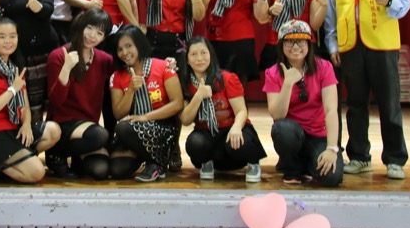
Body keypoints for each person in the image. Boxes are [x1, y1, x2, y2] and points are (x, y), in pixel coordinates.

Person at [325, 0, 410, 180]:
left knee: (389, 104)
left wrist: (390, 2)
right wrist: (333, 45)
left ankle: (395, 159)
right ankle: (360, 157)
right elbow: (331, 11)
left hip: (382, 45)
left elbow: (405, 2)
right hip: (350, 44)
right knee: (356, 104)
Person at [58, 0, 137, 135]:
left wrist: (135, 28)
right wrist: (87, 3)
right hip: (92, 35)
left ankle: (116, 135)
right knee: (91, 87)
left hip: (119, 34)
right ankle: (88, 135)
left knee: (116, 85)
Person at [0, 18, 62, 183]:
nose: (8, 41)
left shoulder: (14, 68)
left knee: (54, 130)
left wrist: (26, 125)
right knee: (37, 172)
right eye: (2, 36)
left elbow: (25, 105)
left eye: (12, 36)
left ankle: (4, 165)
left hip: (13, 127)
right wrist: (12, 90)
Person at [264, 20, 342, 186]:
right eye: (289, 41)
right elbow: (277, 115)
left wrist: (331, 148)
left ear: (309, 44)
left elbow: (331, 110)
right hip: (292, 134)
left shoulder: (324, 67)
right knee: (282, 129)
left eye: (300, 41)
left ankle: (308, 163)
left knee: (332, 178)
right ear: (281, 45)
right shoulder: (272, 73)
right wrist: (287, 84)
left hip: (318, 135)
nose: (295, 46)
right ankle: (292, 168)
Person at [179, 36, 267, 182]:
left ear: (211, 55)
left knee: (237, 142)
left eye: (203, 53)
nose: (199, 58)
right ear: (187, 60)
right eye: (193, 54)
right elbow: (186, 120)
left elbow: (241, 111)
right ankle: (207, 162)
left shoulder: (227, 78)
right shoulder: (185, 83)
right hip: (207, 132)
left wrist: (236, 127)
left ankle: (253, 162)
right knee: (195, 143)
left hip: (232, 128)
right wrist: (198, 96)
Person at [0, 0, 58, 124]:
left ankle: (42, 139)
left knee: (37, 105)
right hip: (12, 54)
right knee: (17, 103)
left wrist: (37, 6)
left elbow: (48, 9)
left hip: (39, 53)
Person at [46, 9, 115, 179]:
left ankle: (77, 157)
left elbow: (127, 68)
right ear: (81, 25)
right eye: (89, 28)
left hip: (87, 128)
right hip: (62, 124)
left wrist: (167, 64)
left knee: (100, 170)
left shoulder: (104, 60)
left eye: (99, 33)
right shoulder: (58, 56)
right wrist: (66, 69)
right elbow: (55, 102)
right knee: (100, 135)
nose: (92, 35)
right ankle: (55, 153)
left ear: (104, 38)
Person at [109, 26, 184, 182]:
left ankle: (157, 162)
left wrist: (146, 117)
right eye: (120, 49)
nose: (124, 52)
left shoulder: (163, 66)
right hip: (135, 130)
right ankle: (153, 160)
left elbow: (177, 104)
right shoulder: (117, 76)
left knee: (123, 127)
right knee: (118, 170)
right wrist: (130, 90)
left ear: (139, 44)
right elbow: (118, 114)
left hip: (163, 127)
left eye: (129, 46)